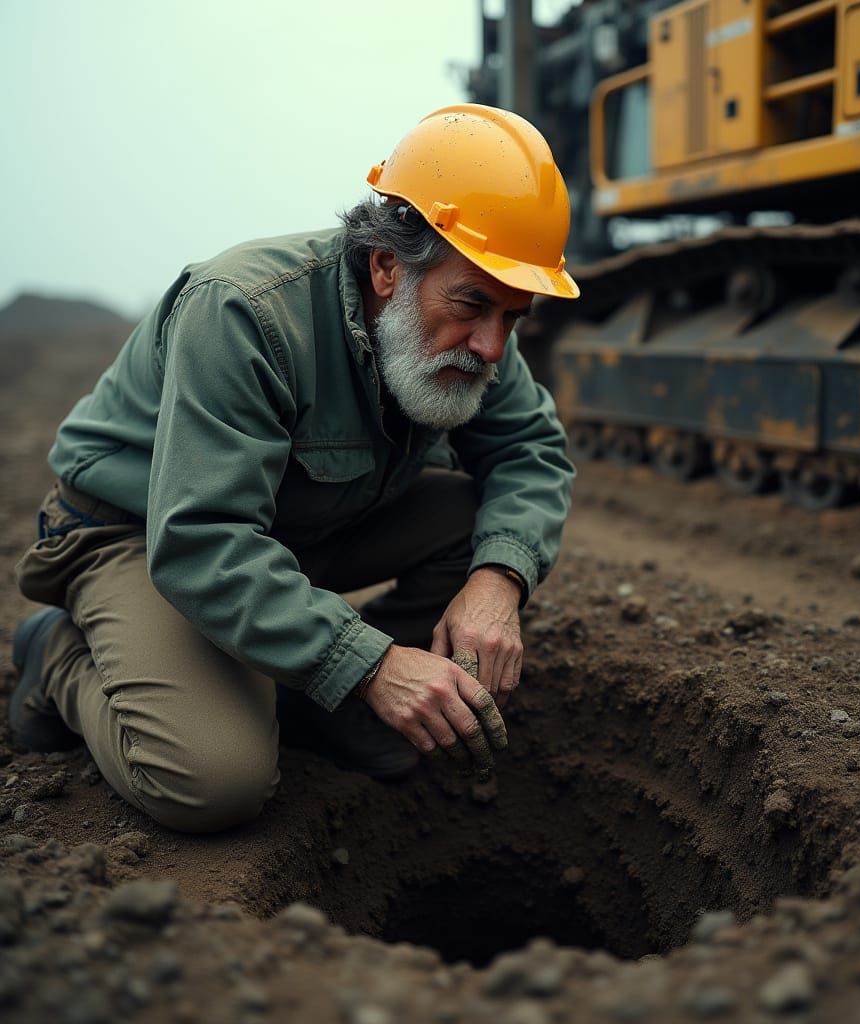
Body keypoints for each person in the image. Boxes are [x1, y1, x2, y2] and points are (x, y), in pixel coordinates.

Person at [8, 103, 579, 834]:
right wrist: (371, 665)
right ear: (386, 266)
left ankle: (313, 702)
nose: (493, 347)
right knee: (214, 780)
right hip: (144, 536)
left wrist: (498, 580)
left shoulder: (475, 318)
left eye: (514, 316)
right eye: (473, 305)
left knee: (485, 528)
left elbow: (530, 451)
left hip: (290, 530)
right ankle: (55, 653)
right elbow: (202, 539)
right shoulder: (243, 312)